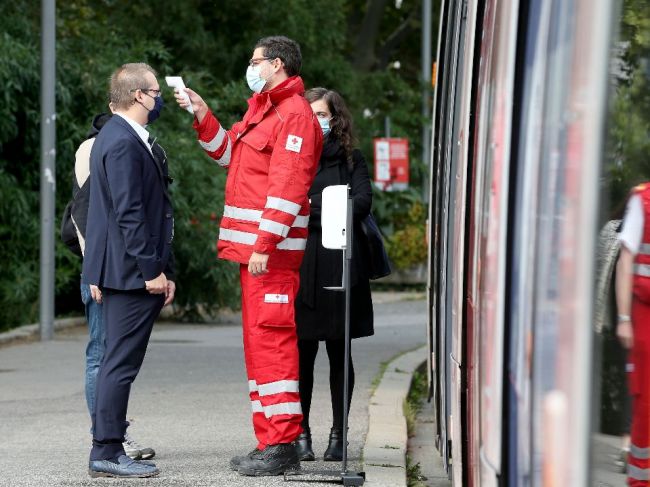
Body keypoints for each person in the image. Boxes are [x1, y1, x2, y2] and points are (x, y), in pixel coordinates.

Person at [174, 36, 322, 476]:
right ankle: (269, 441)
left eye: (255, 61)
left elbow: (289, 186)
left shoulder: (293, 115)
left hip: (269, 255)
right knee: (260, 347)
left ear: (276, 64)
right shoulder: (264, 109)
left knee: (272, 344)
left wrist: (264, 244)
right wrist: (202, 114)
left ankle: (281, 444)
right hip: (254, 253)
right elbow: (227, 154)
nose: (250, 67)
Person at [82, 63, 175, 478]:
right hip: (129, 272)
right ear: (139, 95)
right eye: (156, 91)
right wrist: (151, 269)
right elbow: (128, 213)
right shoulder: (120, 141)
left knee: (118, 360)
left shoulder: (120, 136)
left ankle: (108, 446)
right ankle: (105, 450)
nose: (159, 99)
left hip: (123, 269)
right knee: (119, 362)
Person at [70, 112, 161, 462]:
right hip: (105, 271)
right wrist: (94, 271)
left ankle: (111, 435)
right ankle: (108, 439)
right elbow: (88, 212)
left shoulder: (132, 141)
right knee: (103, 356)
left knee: (108, 356)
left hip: (107, 267)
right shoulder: (103, 146)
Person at [292, 88, 374, 462]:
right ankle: (301, 433)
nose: (316, 122)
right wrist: (330, 205)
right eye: (311, 115)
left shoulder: (352, 159)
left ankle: (339, 435)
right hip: (304, 265)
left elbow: (360, 205)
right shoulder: (295, 158)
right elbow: (289, 208)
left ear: (335, 119)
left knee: (341, 354)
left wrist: (313, 207)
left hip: (342, 263)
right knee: (302, 355)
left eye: (322, 115)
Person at [615, 182, 650, 486]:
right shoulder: (643, 200)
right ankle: (639, 481)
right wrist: (624, 318)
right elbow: (626, 259)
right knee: (646, 403)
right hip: (645, 315)